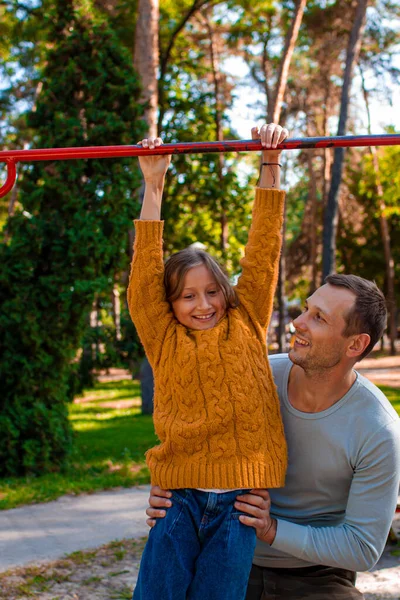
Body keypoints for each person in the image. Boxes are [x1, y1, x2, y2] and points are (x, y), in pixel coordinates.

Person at [147, 274, 400, 599]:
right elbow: (191, 440)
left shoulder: (378, 429)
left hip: (317, 577)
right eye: (306, 309)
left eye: (318, 318)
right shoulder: (254, 376)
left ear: (355, 344)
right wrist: (168, 492)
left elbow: (362, 548)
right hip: (226, 554)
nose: (298, 322)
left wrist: (272, 530)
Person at [127, 123, 290, 600]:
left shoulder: (248, 319)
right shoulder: (163, 338)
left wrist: (270, 161)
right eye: (188, 296)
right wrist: (154, 183)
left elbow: (263, 249)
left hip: (241, 502)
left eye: (212, 291)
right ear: (170, 303)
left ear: (226, 290)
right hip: (177, 499)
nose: (203, 304)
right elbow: (142, 280)